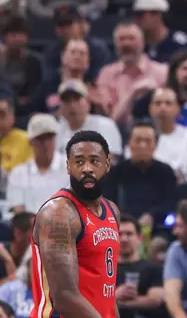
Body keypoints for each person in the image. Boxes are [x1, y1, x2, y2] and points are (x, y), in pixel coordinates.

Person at [29, 130, 120, 318]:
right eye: (79, 162)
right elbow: (64, 297)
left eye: (94, 161)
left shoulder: (113, 211)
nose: (87, 168)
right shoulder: (58, 214)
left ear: (107, 164)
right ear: (68, 167)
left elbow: (107, 294)